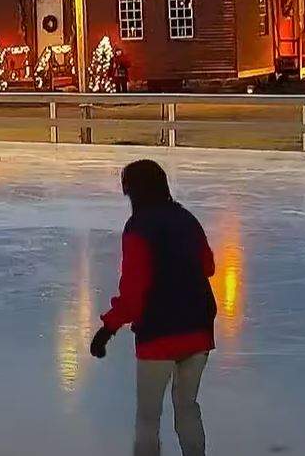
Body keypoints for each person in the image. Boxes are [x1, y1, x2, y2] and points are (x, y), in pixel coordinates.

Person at [91, 159, 216, 456]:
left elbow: (134, 292)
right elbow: (208, 266)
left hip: (159, 334)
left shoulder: (139, 228)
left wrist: (107, 329)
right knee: (187, 408)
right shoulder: (186, 219)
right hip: (198, 328)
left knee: (148, 417)